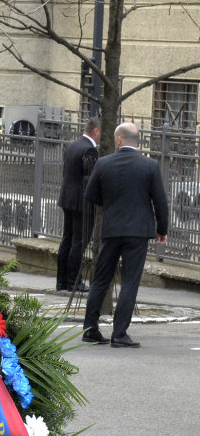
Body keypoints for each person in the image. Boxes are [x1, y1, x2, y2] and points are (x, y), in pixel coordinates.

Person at [81, 122, 169, 349]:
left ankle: (91, 329)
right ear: (135, 141)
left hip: (111, 229)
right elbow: (160, 201)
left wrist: (110, 205)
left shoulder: (103, 163)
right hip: (138, 231)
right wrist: (162, 230)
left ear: (118, 140)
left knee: (100, 279)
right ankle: (120, 333)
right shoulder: (149, 166)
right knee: (130, 281)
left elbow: (91, 194)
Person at [55, 116, 100, 292]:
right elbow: (90, 180)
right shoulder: (89, 150)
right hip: (82, 202)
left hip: (67, 197)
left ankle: (62, 281)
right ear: (95, 131)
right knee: (79, 242)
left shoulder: (73, 145)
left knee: (67, 240)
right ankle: (74, 281)